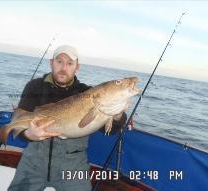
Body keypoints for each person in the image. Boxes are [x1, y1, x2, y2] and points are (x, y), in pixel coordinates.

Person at [7, 45, 128, 191]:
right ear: (51, 63)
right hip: (33, 161)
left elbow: (110, 131)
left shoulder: (86, 92)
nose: (64, 68)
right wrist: (28, 134)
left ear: (77, 67)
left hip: (73, 165)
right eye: (59, 62)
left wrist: (118, 115)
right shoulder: (34, 86)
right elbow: (21, 125)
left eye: (70, 63)